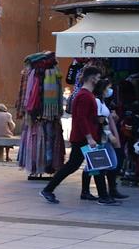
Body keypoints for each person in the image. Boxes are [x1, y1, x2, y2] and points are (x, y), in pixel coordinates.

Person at [42, 65, 106, 205]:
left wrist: (97, 120)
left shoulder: (86, 95)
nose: (99, 80)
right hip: (83, 138)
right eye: (98, 77)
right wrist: (89, 137)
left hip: (84, 137)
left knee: (90, 165)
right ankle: (103, 197)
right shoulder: (84, 96)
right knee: (93, 165)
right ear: (92, 78)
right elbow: (81, 118)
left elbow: (85, 117)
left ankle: (49, 189)